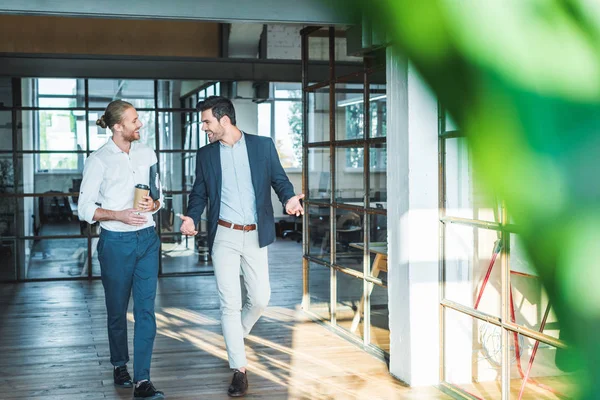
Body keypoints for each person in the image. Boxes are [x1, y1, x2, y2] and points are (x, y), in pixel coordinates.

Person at [179, 96, 304, 397]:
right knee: (229, 304)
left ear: (224, 120)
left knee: (261, 298)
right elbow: (199, 193)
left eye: (207, 121)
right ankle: (240, 369)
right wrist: (192, 217)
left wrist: (288, 198)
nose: (204, 127)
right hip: (223, 235)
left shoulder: (262, 146)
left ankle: (235, 335)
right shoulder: (206, 154)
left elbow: (279, 180)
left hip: (254, 234)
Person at [78, 100, 165, 400]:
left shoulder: (146, 152)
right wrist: (120, 214)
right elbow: (84, 209)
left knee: (145, 311)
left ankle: (143, 380)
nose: (139, 124)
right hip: (116, 242)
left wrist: (153, 204)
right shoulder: (98, 160)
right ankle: (119, 364)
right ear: (117, 127)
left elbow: (158, 195)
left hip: (148, 239)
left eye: (138, 119)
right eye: (134, 120)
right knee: (117, 311)